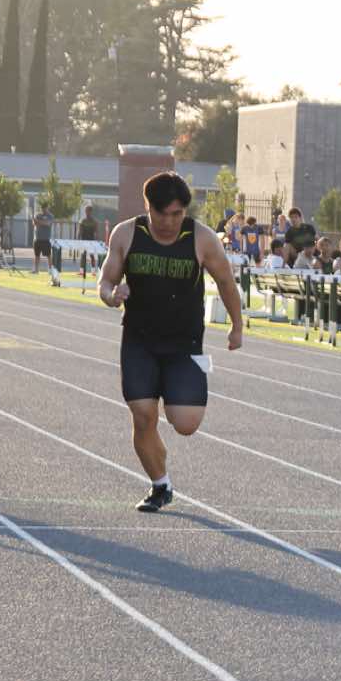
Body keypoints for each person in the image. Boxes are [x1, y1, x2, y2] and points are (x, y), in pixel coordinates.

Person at [95, 172, 246, 512]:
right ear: (148, 207)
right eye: (162, 214)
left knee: (186, 423)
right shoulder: (127, 234)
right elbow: (105, 281)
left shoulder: (202, 238)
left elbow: (226, 281)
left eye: (177, 214)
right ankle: (160, 485)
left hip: (184, 343)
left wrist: (237, 326)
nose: (169, 221)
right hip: (139, 341)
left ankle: (170, 401)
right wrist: (112, 295)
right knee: (143, 415)